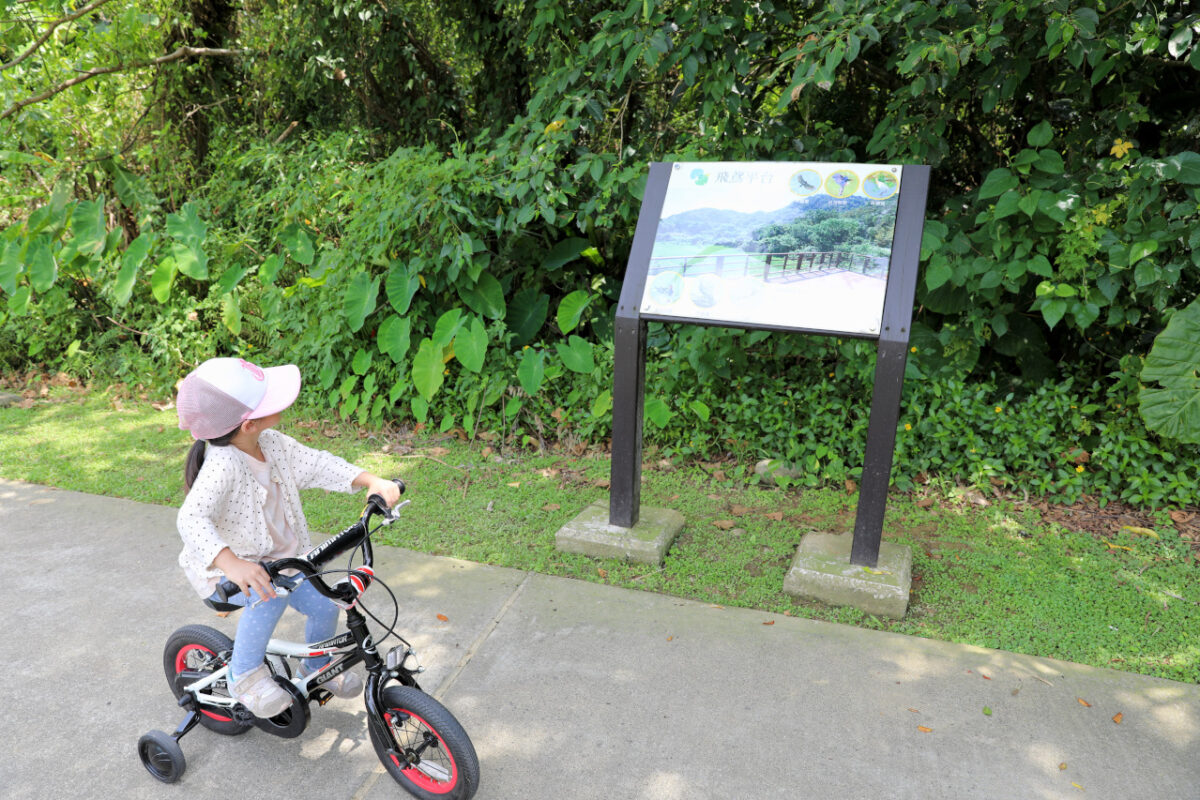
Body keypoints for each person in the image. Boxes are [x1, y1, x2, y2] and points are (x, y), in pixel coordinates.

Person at [175, 356, 402, 717]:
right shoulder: (222, 466)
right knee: (269, 596)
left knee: (326, 602)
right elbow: (191, 519)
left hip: (286, 561)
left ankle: (315, 668)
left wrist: (370, 480)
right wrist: (231, 563)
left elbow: (316, 463)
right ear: (248, 424)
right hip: (228, 573)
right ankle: (244, 675)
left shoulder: (272, 443)